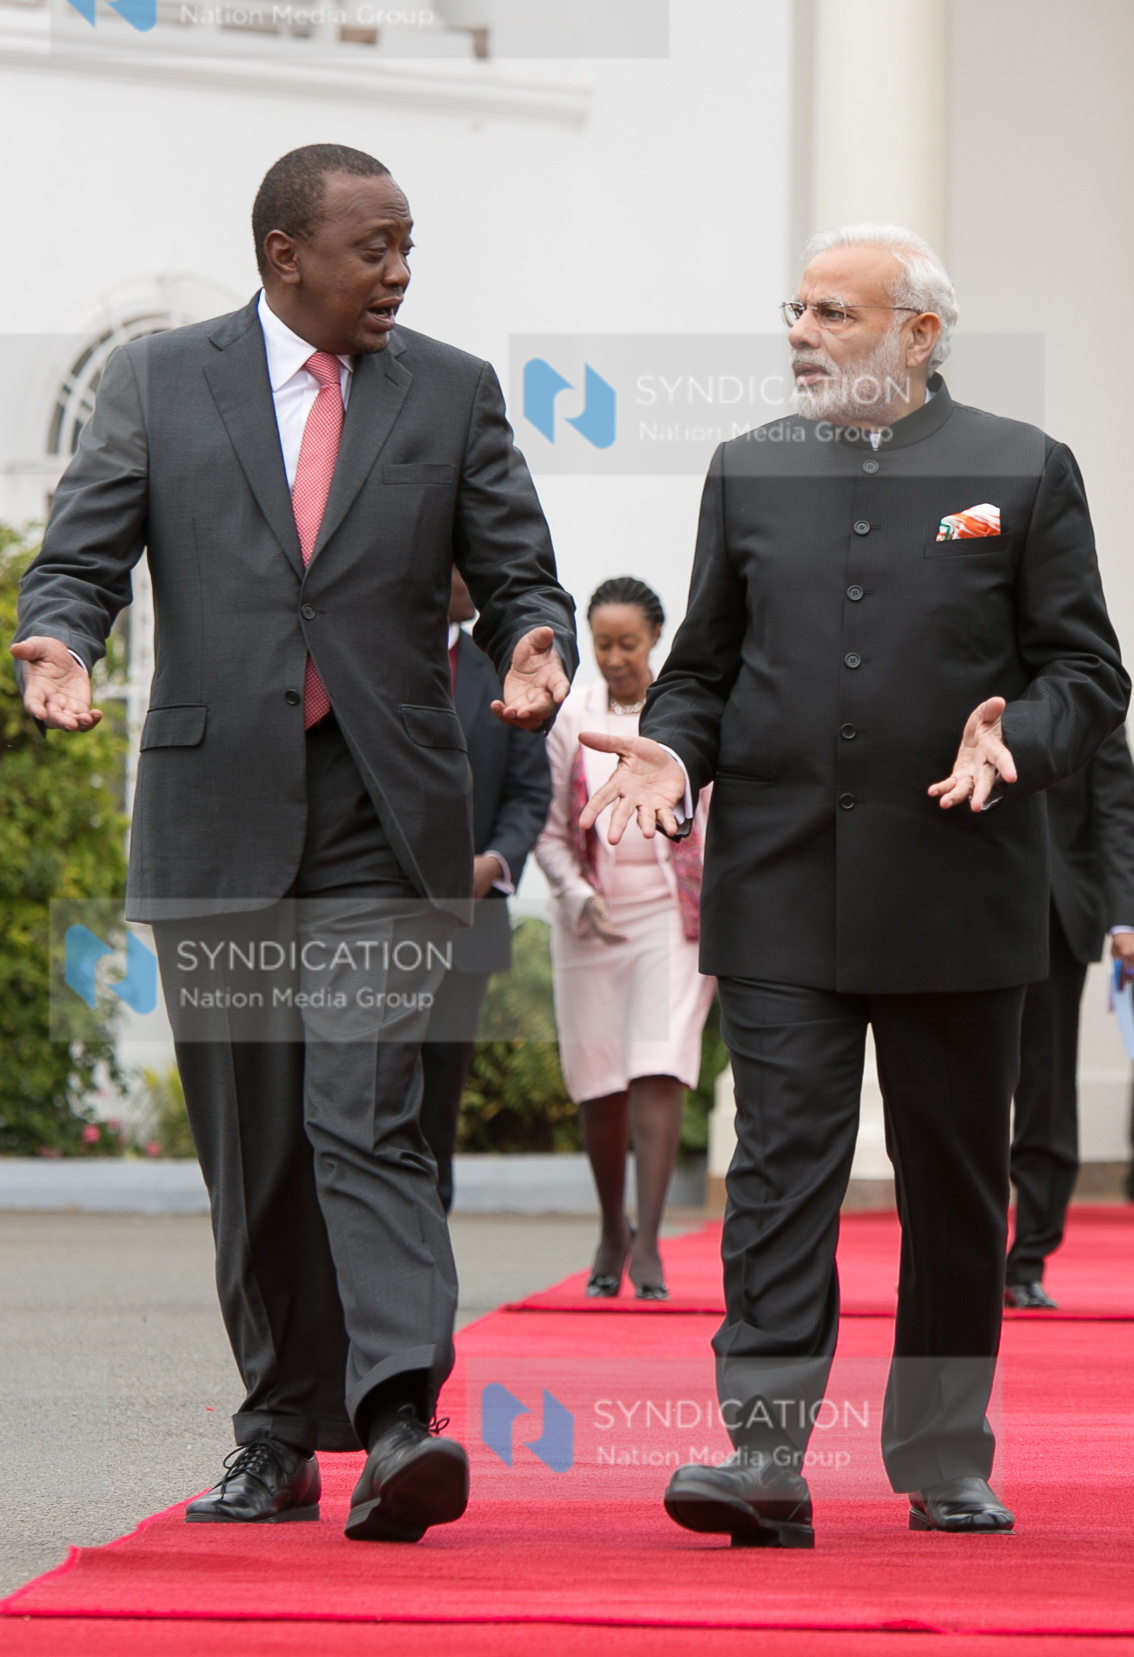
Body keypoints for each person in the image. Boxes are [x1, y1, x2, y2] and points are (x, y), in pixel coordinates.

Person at [12, 144, 576, 1543]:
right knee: (255, 1148)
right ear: (284, 255)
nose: (396, 272)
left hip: (386, 815)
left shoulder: (450, 391)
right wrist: (59, 642)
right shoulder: (156, 381)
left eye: (405, 247)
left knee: (369, 1121)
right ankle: (276, 1432)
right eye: (371, 248)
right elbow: (82, 555)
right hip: (219, 813)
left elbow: (517, 568)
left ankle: (397, 1419)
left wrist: (533, 641)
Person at [581, 224, 1128, 1543]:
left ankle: (943, 1453)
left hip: (959, 885)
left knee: (950, 1184)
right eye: (796, 308)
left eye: (832, 312)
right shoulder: (748, 468)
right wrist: (671, 746)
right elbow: (703, 665)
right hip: (779, 885)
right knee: (776, 1172)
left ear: (918, 334)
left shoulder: (1022, 468)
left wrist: (1021, 743)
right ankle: (762, 1461)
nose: (800, 333)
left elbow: (1086, 676)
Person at [536, 578, 715, 1301]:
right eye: (602, 643)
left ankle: (649, 1238)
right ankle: (611, 1224)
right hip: (591, 922)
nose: (613, 657)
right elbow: (550, 832)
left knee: (659, 1064)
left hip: (672, 920)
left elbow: (712, 820)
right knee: (600, 1075)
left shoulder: (686, 715)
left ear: (655, 641)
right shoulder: (569, 720)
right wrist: (578, 898)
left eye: (628, 644)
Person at [418, 569, 552, 1212]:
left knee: (440, 1088)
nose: (469, 574)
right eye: (455, 557)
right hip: (364, 912)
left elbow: (531, 794)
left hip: (467, 921)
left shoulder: (505, 672)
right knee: (363, 1084)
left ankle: (425, 1244)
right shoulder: (364, 656)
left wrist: (492, 862)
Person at [1005, 727, 1134, 1308]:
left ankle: (1026, 1257)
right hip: (960, 910)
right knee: (955, 1087)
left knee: (1046, 1088)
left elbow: (1115, 811)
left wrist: (1124, 918)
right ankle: (958, 1254)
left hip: (1055, 919)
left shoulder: (1085, 677)